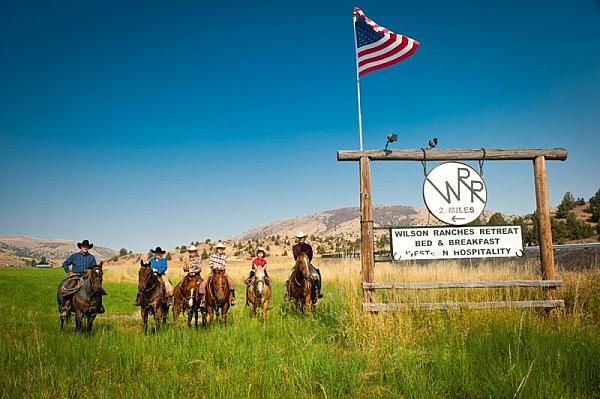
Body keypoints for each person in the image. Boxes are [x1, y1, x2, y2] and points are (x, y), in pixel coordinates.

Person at [59, 239, 104, 316]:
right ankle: (65, 306)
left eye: (87, 247)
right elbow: (65, 263)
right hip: (75, 276)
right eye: (84, 246)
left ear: (88, 248)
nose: (85, 248)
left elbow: (94, 268)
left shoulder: (91, 258)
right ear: (81, 247)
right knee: (69, 288)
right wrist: (69, 272)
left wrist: (91, 271)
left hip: (87, 277)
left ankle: (98, 306)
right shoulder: (74, 256)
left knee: (97, 288)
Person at [286, 232, 323, 299]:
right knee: (289, 276)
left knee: (316, 274)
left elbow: (311, 256)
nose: (301, 239)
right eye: (300, 238)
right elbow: (295, 256)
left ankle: (318, 291)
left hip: (307, 263)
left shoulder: (308, 247)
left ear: (304, 238)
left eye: (302, 238)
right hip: (298, 264)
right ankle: (289, 293)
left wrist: (307, 261)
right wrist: (299, 261)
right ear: (298, 239)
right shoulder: (295, 247)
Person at [199, 242, 236, 307]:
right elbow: (210, 264)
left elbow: (224, 265)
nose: (220, 250)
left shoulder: (224, 257)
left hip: (222, 273)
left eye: (221, 248)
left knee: (231, 283)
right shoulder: (213, 256)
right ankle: (203, 300)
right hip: (213, 272)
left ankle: (232, 298)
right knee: (203, 284)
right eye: (219, 248)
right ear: (217, 249)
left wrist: (220, 267)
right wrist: (214, 267)